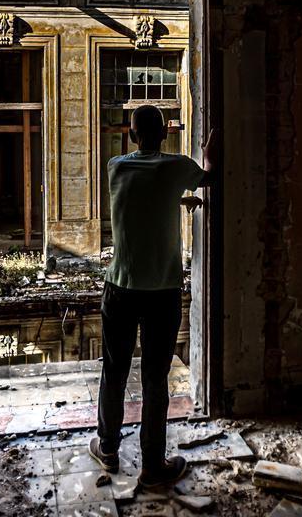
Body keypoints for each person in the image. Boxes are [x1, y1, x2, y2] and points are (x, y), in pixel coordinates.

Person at [88, 105, 216, 487]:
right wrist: (209, 151)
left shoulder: (117, 167)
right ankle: (152, 467)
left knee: (114, 370)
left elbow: (143, 197)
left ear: (130, 136)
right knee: (154, 379)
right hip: (161, 291)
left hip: (121, 287)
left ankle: (108, 448)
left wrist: (173, 202)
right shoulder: (176, 167)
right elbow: (209, 178)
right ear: (166, 133)